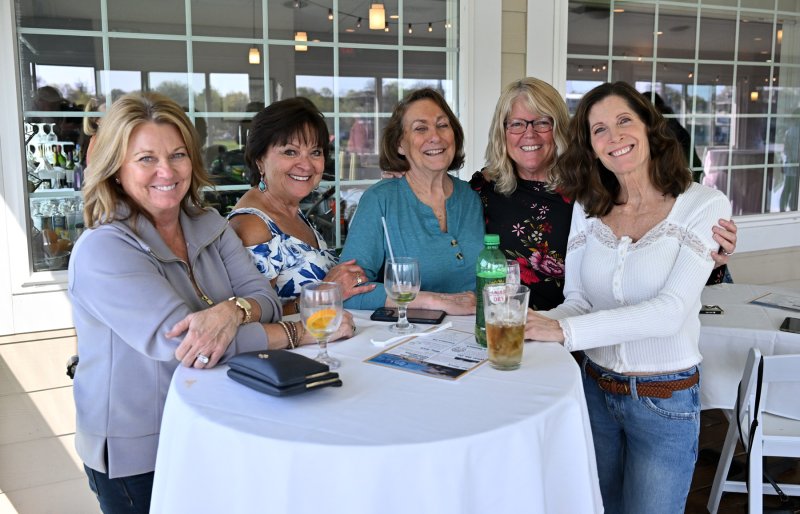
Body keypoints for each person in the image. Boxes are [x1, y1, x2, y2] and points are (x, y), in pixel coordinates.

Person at [69, 92, 355, 513]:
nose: (166, 171)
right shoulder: (104, 249)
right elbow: (189, 347)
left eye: (178, 154)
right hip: (143, 449)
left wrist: (231, 311)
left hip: (220, 422)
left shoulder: (208, 224)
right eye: (146, 158)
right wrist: (302, 331)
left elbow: (265, 299)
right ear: (116, 168)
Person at [524, 81, 733, 513]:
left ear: (649, 128)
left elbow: (669, 313)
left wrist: (560, 330)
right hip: (594, 391)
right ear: (592, 148)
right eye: (599, 130)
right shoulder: (589, 205)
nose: (614, 137)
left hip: (664, 400)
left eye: (624, 121)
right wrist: (527, 324)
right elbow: (579, 300)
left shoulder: (704, 205)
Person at [470, 78, 738, 310]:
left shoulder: (594, 187)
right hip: (512, 328)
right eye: (516, 124)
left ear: (560, 127)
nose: (529, 134)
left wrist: (708, 251)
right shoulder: (483, 191)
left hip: (592, 332)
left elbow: (657, 255)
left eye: (542, 122)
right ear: (502, 132)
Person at [228, 97, 376, 314]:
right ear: (260, 159)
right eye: (290, 152)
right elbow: (251, 319)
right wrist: (326, 292)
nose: (306, 165)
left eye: (315, 152)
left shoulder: (290, 211)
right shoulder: (253, 226)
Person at [339, 88, 482, 314]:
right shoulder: (380, 200)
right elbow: (349, 291)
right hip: (410, 337)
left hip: (477, 335)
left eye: (442, 125)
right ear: (400, 144)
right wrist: (432, 301)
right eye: (420, 128)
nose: (435, 136)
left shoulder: (472, 197)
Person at [782, 109, 800, 212]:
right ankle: (792, 210)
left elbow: (786, 150)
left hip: (790, 164)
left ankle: (783, 209)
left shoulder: (789, 131)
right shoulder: (791, 131)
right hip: (794, 164)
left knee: (787, 189)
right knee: (794, 190)